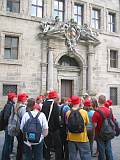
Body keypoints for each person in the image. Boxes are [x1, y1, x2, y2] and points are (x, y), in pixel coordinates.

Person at [66, 96, 91, 160]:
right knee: (85, 155)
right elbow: (86, 123)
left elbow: (67, 123)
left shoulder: (68, 113)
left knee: (72, 156)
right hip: (82, 137)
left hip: (71, 137)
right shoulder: (84, 112)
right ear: (79, 102)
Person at [42, 90, 62, 160]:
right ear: (54, 97)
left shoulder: (44, 103)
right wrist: (58, 127)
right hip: (53, 129)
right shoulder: (54, 104)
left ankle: (47, 157)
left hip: (46, 128)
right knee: (58, 146)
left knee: (47, 145)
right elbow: (56, 118)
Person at [92, 95, 114, 160]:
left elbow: (94, 125)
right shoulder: (109, 111)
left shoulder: (96, 112)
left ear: (98, 101)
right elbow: (112, 121)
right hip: (108, 132)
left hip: (99, 133)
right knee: (108, 149)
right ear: (105, 101)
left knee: (101, 150)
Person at [1, 92, 17, 160]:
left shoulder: (11, 104)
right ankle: (4, 158)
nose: (16, 98)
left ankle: (7, 156)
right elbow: (6, 117)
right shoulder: (9, 105)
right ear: (12, 98)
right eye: (15, 97)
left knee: (8, 143)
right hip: (8, 127)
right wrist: (9, 124)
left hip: (9, 126)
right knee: (7, 143)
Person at [16, 93, 28, 160]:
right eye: (25, 98)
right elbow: (24, 119)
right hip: (21, 129)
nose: (26, 99)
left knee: (19, 145)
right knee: (22, 146)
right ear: (22, 99)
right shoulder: (23, 108)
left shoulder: (17, 105)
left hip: (17, 127)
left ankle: (18, 157)